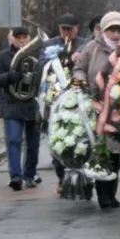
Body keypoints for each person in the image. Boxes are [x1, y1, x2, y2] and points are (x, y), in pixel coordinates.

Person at [72, 12, 120, 210]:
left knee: (115, 152)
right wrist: (79, 80)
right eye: (111, 30)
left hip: (118, 108)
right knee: (100, 150)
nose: (115, 34)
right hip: (95, 105)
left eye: (119, 30)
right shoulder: (92, 48)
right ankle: (103, 194)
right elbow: (79, 68)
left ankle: (111, 193)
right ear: (104, 30)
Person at [40, 14, 89, 194]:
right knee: (57, 138)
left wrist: (80, 59)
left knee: (80, 137)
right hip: (56, 99)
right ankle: (61, 175)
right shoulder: (50, 44)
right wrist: (56, 56)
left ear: (77, 27)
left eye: (70, 29)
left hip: (79, 99)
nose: (66, 32)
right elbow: (41, 67)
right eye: (63, 29)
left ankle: (84, 176)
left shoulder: (85, 44)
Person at [0, 27, 40, 191]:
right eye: (19, 38)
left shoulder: (37, 54)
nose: (22, 41)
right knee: (14, 141)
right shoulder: (4, 56)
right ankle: (16, 177)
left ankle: (30, 175)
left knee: (33, 144)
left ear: (30, 38)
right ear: (14, 40)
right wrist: (10, 76)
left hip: (33, 105)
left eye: (25, 37)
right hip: (12, 105)